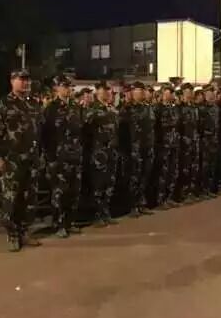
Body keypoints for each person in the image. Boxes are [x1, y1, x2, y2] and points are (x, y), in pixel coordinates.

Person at [0, 70, 43, 250]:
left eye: (28, 80)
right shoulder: (3, 104)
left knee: (29, 198)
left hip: (32, 159)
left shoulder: (34, 104)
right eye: (21, 80)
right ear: (12, 81)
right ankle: (13, 234)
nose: (25, 83)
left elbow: (40, 131)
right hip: (11, 160)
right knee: (11, 198)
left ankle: (25, 231)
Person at [43, 76, 83, 238]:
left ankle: (70, 222)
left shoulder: (75, 106)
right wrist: (50, 158)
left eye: (69, 86)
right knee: (59, 192)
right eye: (64, 86)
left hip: (75, 156)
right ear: (56, 88)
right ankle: (58, 223)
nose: (68, 89)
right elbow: (45, 135)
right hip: (59, 157)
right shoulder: (51, 109)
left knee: (74, 191)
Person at [84, 81, 119, 226]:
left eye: (109, 90)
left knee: (109, 184)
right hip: (98, 153)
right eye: (105, 90)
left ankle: (106, 212)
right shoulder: (92, 109)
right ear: (98, 91)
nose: (108, 92)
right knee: (98, 184)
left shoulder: (111, 109)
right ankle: (97, 214)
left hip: (111, 152)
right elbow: (86, 132)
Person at [120, 81, 155, 217]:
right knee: (133, 178)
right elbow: (122, 132)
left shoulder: (148, 108)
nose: (141, 93)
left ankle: (141, 203)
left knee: (145, 176)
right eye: (138, 91)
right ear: (133, 93)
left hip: (147, 147)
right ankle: (132, 206)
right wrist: (127, 151)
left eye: (142, 91)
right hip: (134, 150)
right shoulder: (127, 109)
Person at [155, 84, 180, 209]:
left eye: (171, 92)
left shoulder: (174, 108)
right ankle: (160, 200)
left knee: (172, 172)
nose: (170, 95)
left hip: (173, 144)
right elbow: (157, 128)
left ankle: (168, 198)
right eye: (168, 92)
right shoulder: (157, 109)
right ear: (162, 94)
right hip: (163, 146)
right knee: (162, 174)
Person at [177, 82, 200, 203]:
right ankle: (182, 194)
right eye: (187, 92)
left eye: (191, 92)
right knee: (184, 169)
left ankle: (191, 191)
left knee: (193, 168)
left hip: (194, 142)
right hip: (184, 143)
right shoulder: (179, 108)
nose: (189, 94)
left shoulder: (194, 107)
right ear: (182, 94)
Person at [198, 84, 219, 198]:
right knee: (204, 166)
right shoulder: (201, 108)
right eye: (209, 93)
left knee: (212, 165)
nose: (211, 95)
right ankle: (201, 190)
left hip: (214, 141)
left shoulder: (215, 108)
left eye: (212, 93)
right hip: (204, 141)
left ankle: (209, 189)